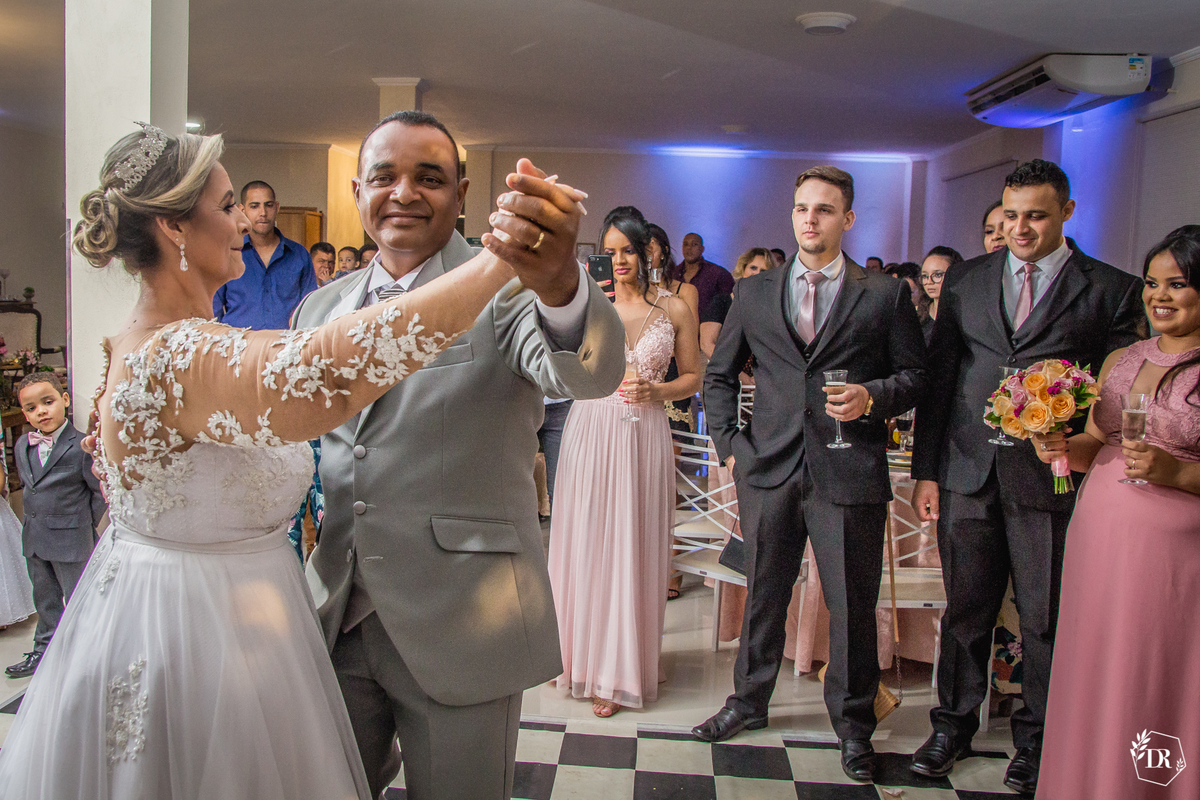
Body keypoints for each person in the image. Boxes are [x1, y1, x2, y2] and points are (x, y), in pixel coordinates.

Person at [0, 123, 581, 799]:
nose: (245, 224)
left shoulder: (165, 345)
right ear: (173, 229)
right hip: (199, 634)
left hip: (256, 621)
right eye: (227, 207)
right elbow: (327, 375)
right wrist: (499, 258)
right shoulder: (178, 356)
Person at [296, 110, 625, 800]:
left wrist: (561, 286)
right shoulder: (319, 310)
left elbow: (587, 373)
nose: (404, 193)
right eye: (384, 176)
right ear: (357, 190)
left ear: (462, 192)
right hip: (336, 614)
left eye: (429, 178)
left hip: (464, 616)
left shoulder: (504, 289)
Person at [909, 159, 1144, 795]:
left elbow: (1118, 393)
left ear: (1067, 212)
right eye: (1011, 215)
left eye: (1036, 216)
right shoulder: (968, 277)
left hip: (1051, 479)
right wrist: (927, 472)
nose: (1020, 228)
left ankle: (1038, 741)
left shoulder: (1111, 289)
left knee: (1044, 619)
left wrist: (1079, 437)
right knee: (966, 612)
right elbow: (941, 379)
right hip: (967, 470)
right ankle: (951, 726)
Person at [692, 166, 926, 785]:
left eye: (823, 209)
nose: (810, 219)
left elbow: (915, 377)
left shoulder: (884, 295)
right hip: (768, 467)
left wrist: (872, 397)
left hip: (848, 467)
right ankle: (748, 701)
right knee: (763, 592)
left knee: (851, 603)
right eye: (801, 208)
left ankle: (853, 726)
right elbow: (719, 375)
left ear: (847, 219)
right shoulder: (755, 292)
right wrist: (730, 445)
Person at [1031, 226, 1200, 799]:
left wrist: (1177, 473)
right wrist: (1058, 446)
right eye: (1152, 282)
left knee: (1151, 672)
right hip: (1099, 537)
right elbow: (1095, 444)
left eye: (1177, 284)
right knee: (1096, 664)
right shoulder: (1121, 359)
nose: (1159, 296)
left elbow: (1168, 465)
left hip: (1173, 555)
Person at [548, 206, 701, 716]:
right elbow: (560, 367)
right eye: (609, 252)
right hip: (591, 428)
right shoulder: (590, 305)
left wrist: (658, 392)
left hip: (646, 432)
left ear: (647, 251)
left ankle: (619, 669)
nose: (618, 261)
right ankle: (581, 659)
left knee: (633, 543)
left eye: (628, 250)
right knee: (589, 539)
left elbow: (693, 376)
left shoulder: (675, 308)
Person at [3, 373, 104, 679]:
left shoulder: (81, 445)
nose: (42, 412)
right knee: (45, 600)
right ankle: (43, 651)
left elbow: (98, 492)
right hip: (35, 539)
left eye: (48, 402)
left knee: (79, 599)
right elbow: (31, 487)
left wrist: (80, 524)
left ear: (65, 400)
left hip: (72, 540)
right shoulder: (23, 444)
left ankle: (86, 657)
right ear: (25, 414)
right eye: (32, 408)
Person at [212, 180, 318, 330]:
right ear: (242, 210)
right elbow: (213, 312)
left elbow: (311, 309)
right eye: (254, 206)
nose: (263, 212)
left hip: (287, 342)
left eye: (268, 205)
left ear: (277, 207)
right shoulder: (227, 254)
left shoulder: (299, 255)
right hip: (239, 343)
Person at [700, 247, 776, 359]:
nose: (757, 273)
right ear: (743, 268)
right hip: (722, 367)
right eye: (753, 268)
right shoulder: (721, 302)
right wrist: (734, 370)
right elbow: (707, 344)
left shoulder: (770, 307)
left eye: (763, 271)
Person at [673, 232, 734, 317]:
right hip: (675, 322)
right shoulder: (672, 273)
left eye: (694, 244)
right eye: (686, 244)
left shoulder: (718, 273)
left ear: (702, 249)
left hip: (708, 323)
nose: (689, 248)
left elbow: (730, 306)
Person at [918, 246, 963, 345]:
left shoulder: (966, 316)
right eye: (925, 276)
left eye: (938, 275)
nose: (929, 282)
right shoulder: (917, 315)